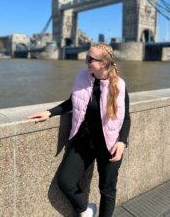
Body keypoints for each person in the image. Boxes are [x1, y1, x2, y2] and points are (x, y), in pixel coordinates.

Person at [28, 43, 131, 217]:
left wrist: (122, 142)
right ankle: (86, 209)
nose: (86, 61)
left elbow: (126, 118)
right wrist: (49, 112)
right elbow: (71, 103)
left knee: (107, 191)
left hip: (110, 144)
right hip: (84, 141)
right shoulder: (82, 78)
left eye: (90, 59)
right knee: (65, 181)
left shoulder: (119, 85)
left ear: (104, 63)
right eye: (86, 57)